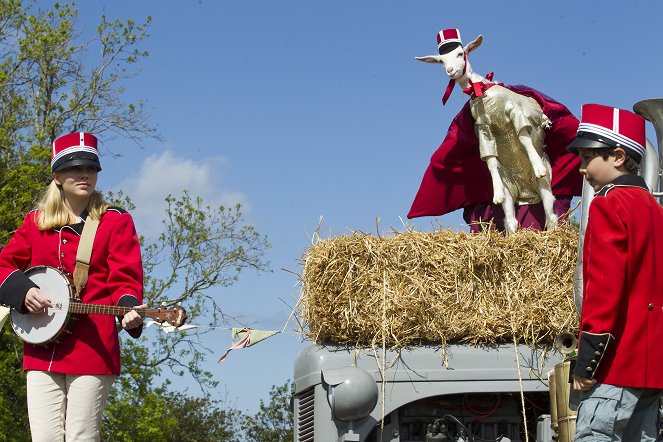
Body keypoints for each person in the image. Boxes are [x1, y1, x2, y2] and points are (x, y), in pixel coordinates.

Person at [0, 132, 145, 441]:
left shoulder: (115, 221)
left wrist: (128, 309)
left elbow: (125, 278)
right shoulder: (35, 222)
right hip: (41, 345)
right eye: (74, 168)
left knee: (81, 436)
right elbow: (4, 264)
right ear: (56, 176)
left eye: (91, 168)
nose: (84, 175)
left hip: (92, 345)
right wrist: (24, 291)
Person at [567, 104, 663, 442]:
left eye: (587, 157)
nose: (581, 168)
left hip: (615, 367)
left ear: (618, 156)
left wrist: (587, 364)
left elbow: (605, 293)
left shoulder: (609, 206)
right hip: (650, 370)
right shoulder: (654, 209)